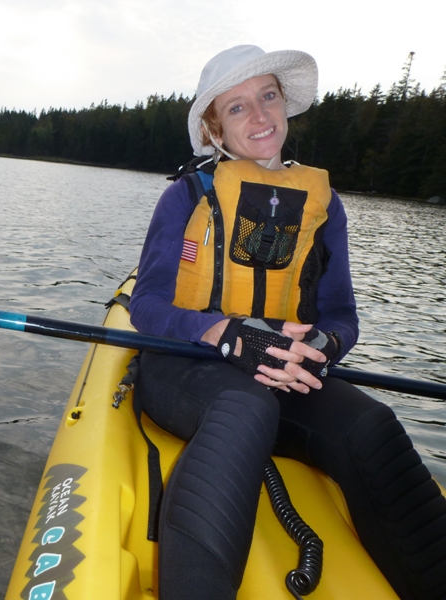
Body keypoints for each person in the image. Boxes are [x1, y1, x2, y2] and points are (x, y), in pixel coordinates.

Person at [129, 44, 446, 600]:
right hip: (192, 364)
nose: (259, 115)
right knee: (245, 407)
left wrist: (320, 347)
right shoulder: (186, 196)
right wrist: (223, 333)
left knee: (371, 425)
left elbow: (341, 316)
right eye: (236, 107)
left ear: (284, 105)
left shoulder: (325, 206)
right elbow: (148, 305)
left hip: (286, 368)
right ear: (214, 129)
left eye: (268, 96)